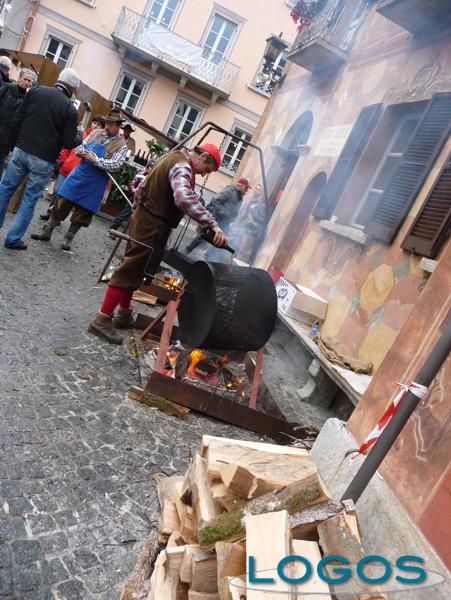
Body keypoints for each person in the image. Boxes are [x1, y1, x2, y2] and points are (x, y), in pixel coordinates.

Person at [88, 143, 227, 344]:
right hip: (151, 221)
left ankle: (124, 313)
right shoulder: (182, 165)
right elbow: (183, 197)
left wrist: (139, 211)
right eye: (207, 169)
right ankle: (102, 318)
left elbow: (142, 187)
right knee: (130, 268)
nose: (204, 174)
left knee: (137, 268)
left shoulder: (172, 156)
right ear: (203, 156)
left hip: (146, 217)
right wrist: (211, 223)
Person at [0, 67, 81, 250]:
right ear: (73, 87)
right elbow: (69, 142)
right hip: (44, 159)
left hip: (22, 149)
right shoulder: (69, 108)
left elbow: (17, 118)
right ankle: (13, 239)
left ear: (59, 79)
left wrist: (14, 144)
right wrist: (79, 136)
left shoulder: (36, 91)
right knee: (29, 199)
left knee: (5, 189)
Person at [31, 108, 127, 251]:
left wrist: (95, 160)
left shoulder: (121, 146)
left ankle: (68, 238)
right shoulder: (95, 133)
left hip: (95, 183)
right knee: (61, 202)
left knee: (84, 212)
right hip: (79, 174)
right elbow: (80, 146)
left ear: (119, 126)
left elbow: (115, 165)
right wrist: (80, 151)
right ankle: (47, 231)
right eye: (107, 123)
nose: (107, 126)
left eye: (111, 124)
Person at [39, 114, 105, 221]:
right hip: (66, 168)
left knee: (65, 196)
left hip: (78, 173)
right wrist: (62, 161)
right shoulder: (82, 134)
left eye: (98, 124)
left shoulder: (98, 142)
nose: (95, 126)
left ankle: (55, 218)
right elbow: (68, 148)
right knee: (57, 191)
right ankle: (50, 213)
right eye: (94, 123)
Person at [185, 177, 250, 256]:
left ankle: (209, 257)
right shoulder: (229, 190)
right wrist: (224, 212)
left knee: (222, 240)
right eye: (246, 188)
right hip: (217, 217)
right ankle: (188, 249)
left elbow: (234, 210)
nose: (247, 190)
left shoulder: (240, 197)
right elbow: (216, 200)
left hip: (225, 222)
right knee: (204, 236)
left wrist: (232, 218)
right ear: (242, 185)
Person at [0, 68, 36, 175]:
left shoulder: (28, 98)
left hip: (7, 139)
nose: (27, 82)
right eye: (25, 79)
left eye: (29, 81)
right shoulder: (8, 88)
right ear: (19, 78)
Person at [108, 158, 155, 233]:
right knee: (124, 214)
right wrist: (136, 193)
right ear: (148, 166)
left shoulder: (154, 179)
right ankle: (112, 228)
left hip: (144, 201)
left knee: (138, 219)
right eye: (151, 167)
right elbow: (132, 185)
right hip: (134, 199)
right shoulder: (140, 175)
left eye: (153, 167)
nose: (151, 169)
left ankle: (132, 235)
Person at [229, 184, 267, 263]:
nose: (256, 191)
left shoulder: (261, 205)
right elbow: (242, 213)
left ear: (261, 193)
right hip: (240, 227)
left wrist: (252, 219)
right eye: (256, 188)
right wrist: (235, 222)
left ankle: (238, 266)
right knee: (235, 245)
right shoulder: (250, 199)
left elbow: (261, 219)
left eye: (259, 190)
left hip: (250, 231)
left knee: (243, 251)